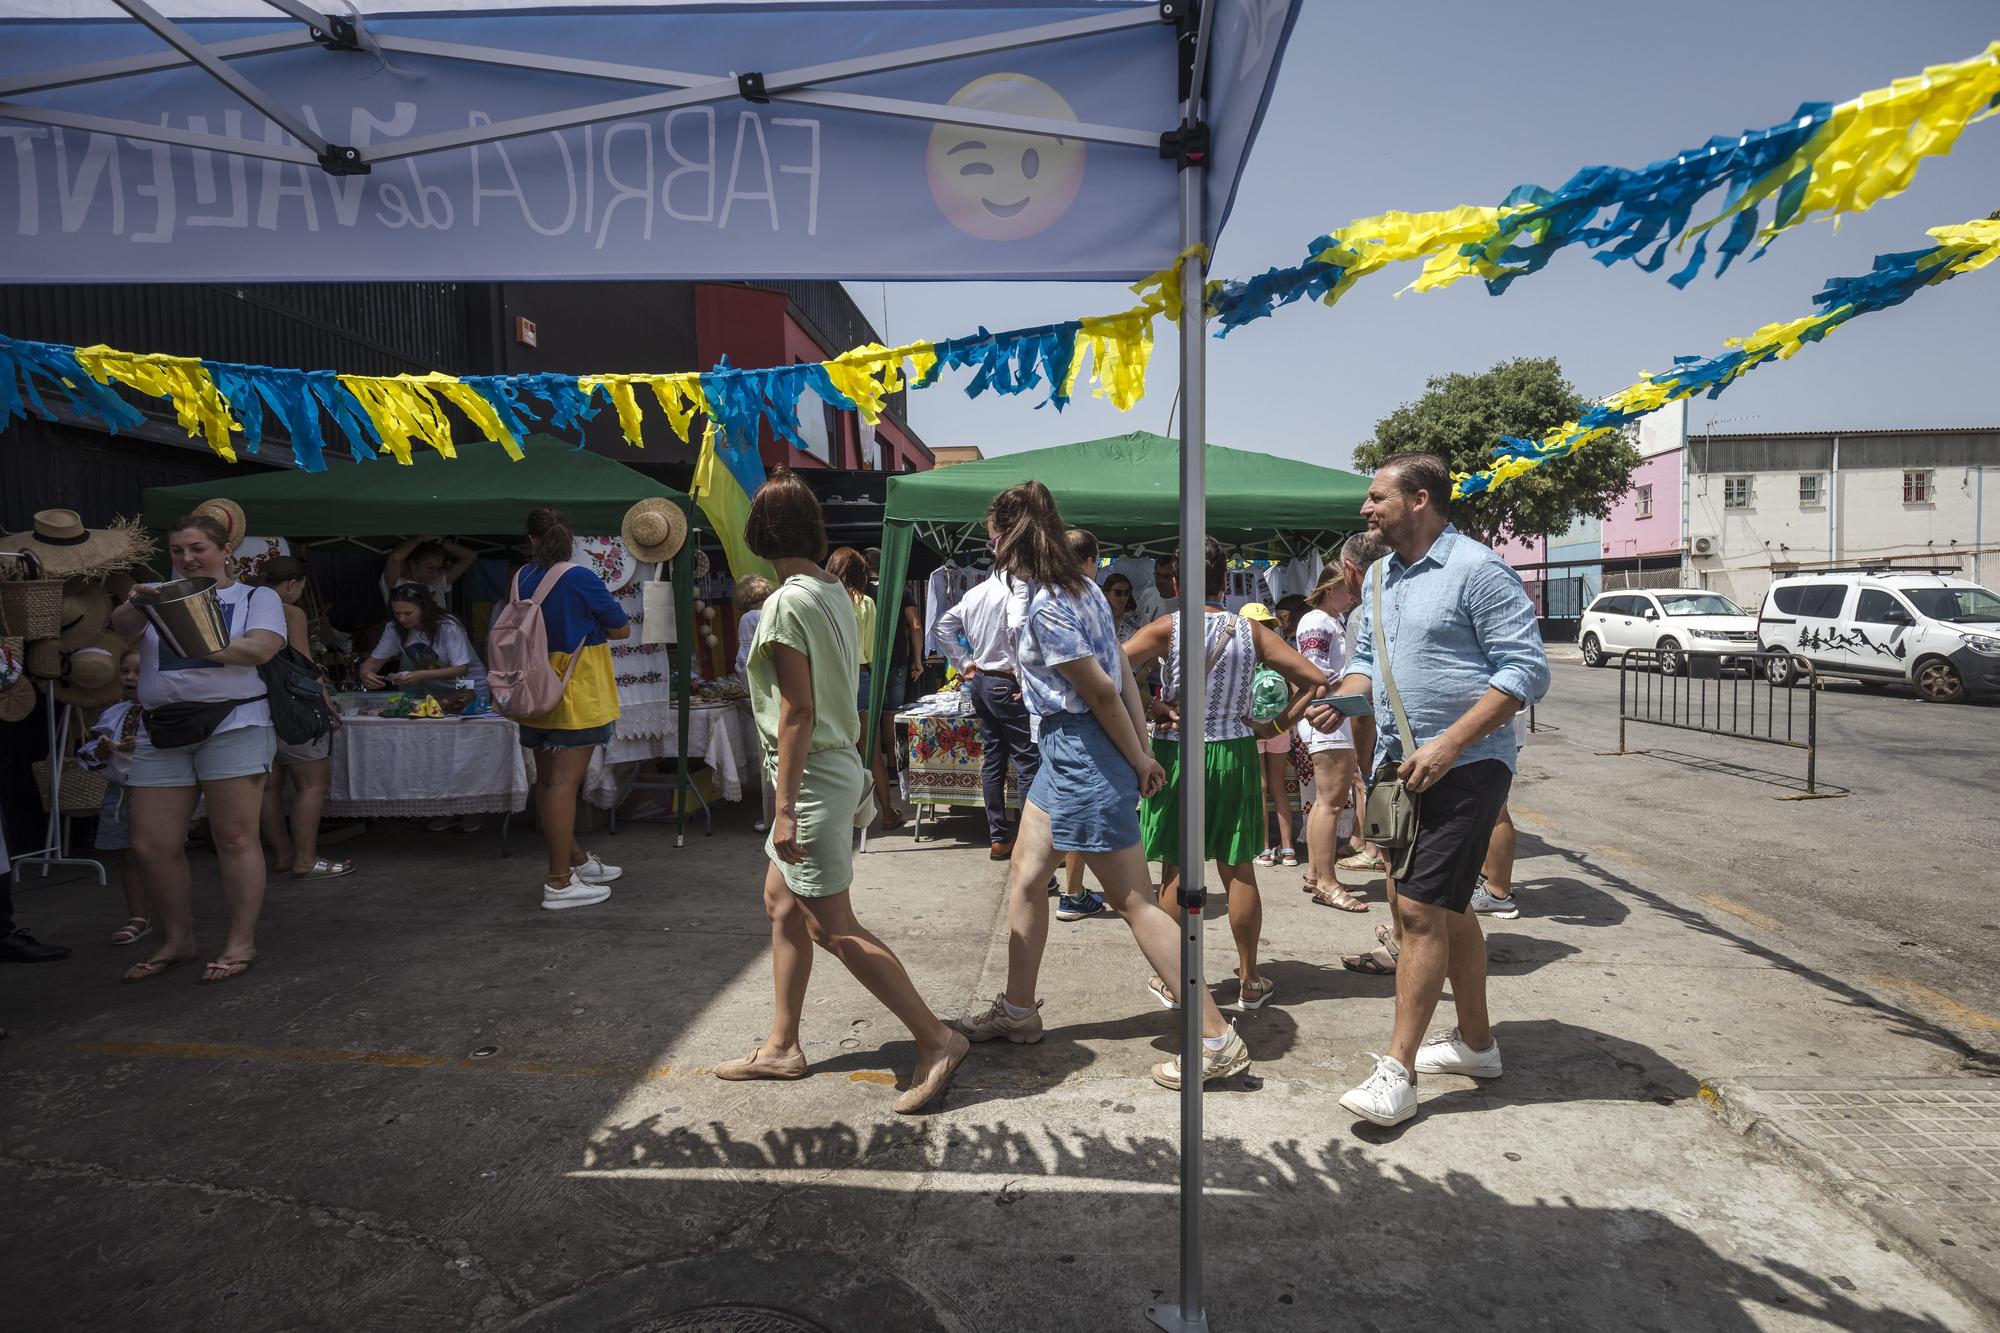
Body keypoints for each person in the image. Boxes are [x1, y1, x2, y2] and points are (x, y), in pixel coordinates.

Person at [954, 483, 1250, 1091]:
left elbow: (1102, 690)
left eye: (992, 533)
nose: (989, 544)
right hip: (1070, 752)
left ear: (1010, 537)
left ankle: (1215, 1037)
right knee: (1029, 875)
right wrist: (1139, 750)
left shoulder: (1048, 604)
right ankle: (1018, 1011)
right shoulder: (1082, 588)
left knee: (1135, 901)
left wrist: (1138, 756)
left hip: (1082, 750)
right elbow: (1120, 675)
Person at [716, 470, 968, 1114]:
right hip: (832, 764)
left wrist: (781, 810)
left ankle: (937, 1038)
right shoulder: (831, 588)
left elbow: (797, 710)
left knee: (834, 927)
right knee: (780, 903)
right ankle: (782, 1045)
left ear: (758, 534)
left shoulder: (782, 602)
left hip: (811, 776)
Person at [1313, 453, 1549, 1128]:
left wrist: (1452, 741)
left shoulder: (1478, 568)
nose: (1366, 508)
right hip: (1401, 766)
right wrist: (1342, 700)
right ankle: (1477, 1045)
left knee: (1415, 913)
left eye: (1376, 496)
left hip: (1469, 766)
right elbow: (1365, 664)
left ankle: (1398, 1071)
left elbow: (1526, 668)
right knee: (1441, 911)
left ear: (1419, 500)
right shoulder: (1382, 575)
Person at [1123, 538, 1327, 1013]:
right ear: (1225, 580)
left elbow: (1111, 668)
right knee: (1239, 869)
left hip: (1177, 754)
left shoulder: (1166, 629)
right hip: (1235, 752)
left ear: (1177, 582)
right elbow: (1316, 679)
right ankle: (1250, 978)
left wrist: (1153, 706)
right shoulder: (1250, 631)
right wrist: (1274, 725)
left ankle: (1175, 979)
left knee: (1174, 867)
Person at [112, 512, 287, 986]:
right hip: (162, 729)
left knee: (234, 838)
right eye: (177, 551)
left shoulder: (254, 596)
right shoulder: (157, 597)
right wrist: (139, 602)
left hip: (235, 723)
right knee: (151, 844)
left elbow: (260, 649)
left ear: (225, 549)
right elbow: (120, 626)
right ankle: (178, 939)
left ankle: (240, 941)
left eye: (197, 549)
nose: (187, 558)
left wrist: (191, 638)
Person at [512, 507, 631, 910]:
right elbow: (620, 628)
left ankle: (575, 860)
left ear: (531, 539)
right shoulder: (578, 576)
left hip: (531, 690)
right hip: (572, 691)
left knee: (548, 784)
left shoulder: (520, 577)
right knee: (563, 786)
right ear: (570, 539)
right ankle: (559, 882)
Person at [933, 533, 1039, 860]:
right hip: (1004, 681)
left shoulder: (976, 592)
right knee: (1026, 762)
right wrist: (1024, 675)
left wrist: (965, 663)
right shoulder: (1018, 588)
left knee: (995, 757)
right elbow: (1019, 624)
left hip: (982, 681)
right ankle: (1031, 843)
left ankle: (999, 837)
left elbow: (942, 627)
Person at [250, 556, 352, 877]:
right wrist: (326, 705)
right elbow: (305, 665)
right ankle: (305, 859)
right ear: (292, 584)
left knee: (269, 787)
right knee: (312, 785)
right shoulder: (289, 611)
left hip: (253, 707)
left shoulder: (243, 605)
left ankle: (282, 855)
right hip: (291, 709)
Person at [1293, 553, 1377, 913]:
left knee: (1325, 801)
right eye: (1345, 587)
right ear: (1330, 588)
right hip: (1328, 714)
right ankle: (1326, 881)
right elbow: (1316, 673)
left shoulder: (1329, 620)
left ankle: (1317, 874)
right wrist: (1348, 687)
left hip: (1331, 713)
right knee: (1330, 801)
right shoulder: (1318, 622)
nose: (1352, 593)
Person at [827, 547, 905, 832]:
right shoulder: (864, 603)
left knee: (836, 752)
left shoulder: (822, 602)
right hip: (861, 678)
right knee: (871, 753)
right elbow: (872, 652)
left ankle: (841, 819)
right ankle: (886, 812)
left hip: (830, 682)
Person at [1056, 528, 1110, 922]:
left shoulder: (1063, 598)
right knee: (1083, 816)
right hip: (1081, 726)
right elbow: (1104, 691)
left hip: (1059, 726)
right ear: (1091, 560)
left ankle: (1068, 891)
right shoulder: (1080, 599)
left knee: (1066, 814)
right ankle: (1071, 893)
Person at [81, 650, 149, 945]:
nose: (131, 678)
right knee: (130, 856)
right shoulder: (113, 713)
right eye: (125, 671)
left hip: (154, 791)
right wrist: (104, 749)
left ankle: (174, 911)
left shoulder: (163, 712)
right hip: (120, 792)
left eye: (139, 671)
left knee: (158, 854)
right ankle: (137, 916)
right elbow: (91, 752)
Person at [1238, 602, 1300, 870]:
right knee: (1277, 787)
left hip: (1251, 727)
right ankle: (1288, 849)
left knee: (1260, 788)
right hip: (1278, 727)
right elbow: (1298, 689)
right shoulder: (1280, 654)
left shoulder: (1240, 657)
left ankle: (1264, 849)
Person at [360, 584, 486, 698]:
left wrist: (420, 675)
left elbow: (460, 670)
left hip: (468, 684)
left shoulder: (448, 626)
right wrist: (365, 672)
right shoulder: (394, 628)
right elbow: (374, 661)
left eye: (408, 613)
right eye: (396, 614)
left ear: (425, 609)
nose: (402, 619)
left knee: (465, 716)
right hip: (436, 691)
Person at [733, 574, 777, 833]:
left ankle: (770, 817)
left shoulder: (748, 619)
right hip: (781, 688)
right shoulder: (773, 611)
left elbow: (745, 660)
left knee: (768, 758)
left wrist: (743, 688)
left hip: (762, 691)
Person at [381, 535, 474, 607]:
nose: (435, 573)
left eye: (438, 568)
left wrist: (442, 543)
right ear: (413, 564)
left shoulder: (437, 581)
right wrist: (419, 539)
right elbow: (395, 557)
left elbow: (471, 556)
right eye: (430, 568)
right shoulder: (397, 582)